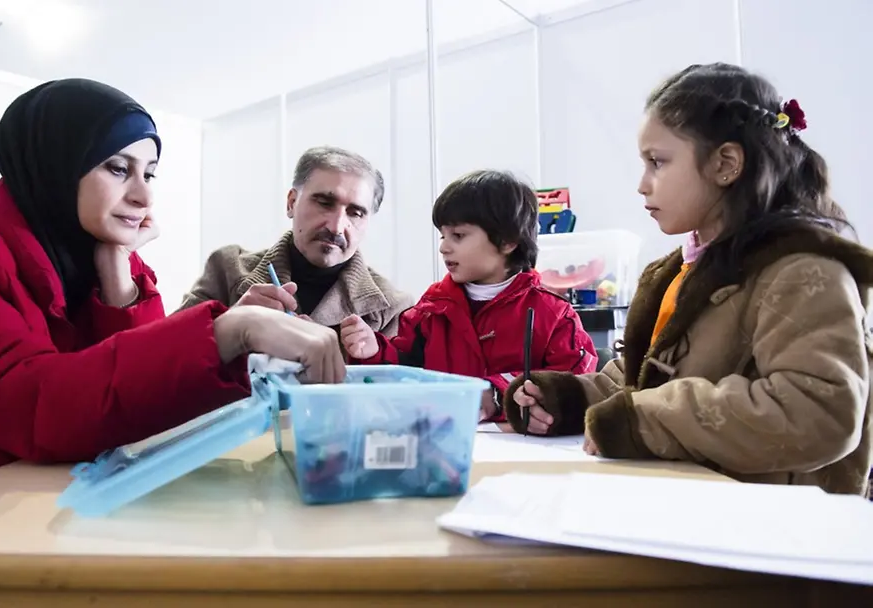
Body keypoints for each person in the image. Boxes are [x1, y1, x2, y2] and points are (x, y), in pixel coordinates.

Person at [0, 79, 344, 501]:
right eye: (118, 169)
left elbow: (140, 412)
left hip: (36, 496)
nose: (144, 198)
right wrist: (228, 331)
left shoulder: (94, 249)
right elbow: (31, 404)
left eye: (149, 174)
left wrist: (117, 277)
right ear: (58, 162)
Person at [506, 63, 873, 497]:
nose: (642, 184)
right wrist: (566, 401)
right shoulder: (679, 272)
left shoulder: (802, 272)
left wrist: (642, 420)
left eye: (657, 162)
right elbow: (642, 381)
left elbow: (817, 414)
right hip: (683, 512)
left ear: (726, 164)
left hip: (766, 540)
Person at [341, 170, 597, 427]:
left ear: (507, 241)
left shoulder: (552, 314)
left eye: (458, 235)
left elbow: (577, 383)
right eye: (443, 235)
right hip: (443, 442)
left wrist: (495, 394)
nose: (444, 247)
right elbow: (404, 369)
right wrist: (373, 351)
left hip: (522, 449)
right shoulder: (431, 308)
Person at [180, 146, 413, 336]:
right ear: (292, 203)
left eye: (355, 213)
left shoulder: (393, 308)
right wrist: (230, 325)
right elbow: (164, 357)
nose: (336, 227)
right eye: (324, 203)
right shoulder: (227, 269)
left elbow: (397, 392)